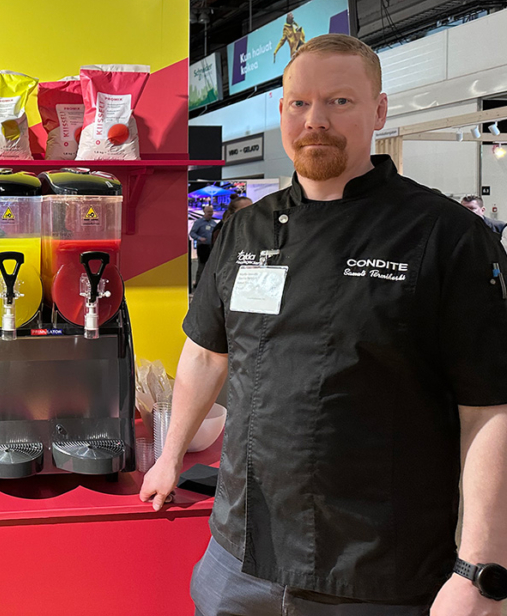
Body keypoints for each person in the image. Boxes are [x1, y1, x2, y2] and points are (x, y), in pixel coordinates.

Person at [141, 33, 507, 615]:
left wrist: (480, 571)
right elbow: (207, 353)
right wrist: (169, 455)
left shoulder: (446, 235)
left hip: (378, 573)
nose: (316, 120)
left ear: (379, 111)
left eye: (340, 101)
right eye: (299, 103)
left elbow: (489, 410)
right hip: (239, 555)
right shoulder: (244, 230)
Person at [189, 205, 218, 287]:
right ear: (204, 212)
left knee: (212, 265)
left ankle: (209, 284)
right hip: (202, 247)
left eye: (211, 212)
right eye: (208, 212)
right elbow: (192, 233)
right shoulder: (198, 222)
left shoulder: (213, 223)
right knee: (202, 265)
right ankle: (198, 284)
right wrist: (199, 238)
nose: (210, 214)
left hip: (211, 247)